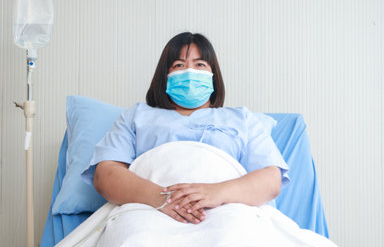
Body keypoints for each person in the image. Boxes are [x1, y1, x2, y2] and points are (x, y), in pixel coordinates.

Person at [82, 32, 289, 225]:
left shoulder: (242, 119)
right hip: (147, 210)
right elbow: (106, 175)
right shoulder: (137, 116)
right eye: (179, 65)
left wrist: (216, 193)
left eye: (200, 64)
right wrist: (162, 199)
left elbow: (270, 179)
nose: (190, 72)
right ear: (165, 75)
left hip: (229, 210)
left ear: (213, 75)